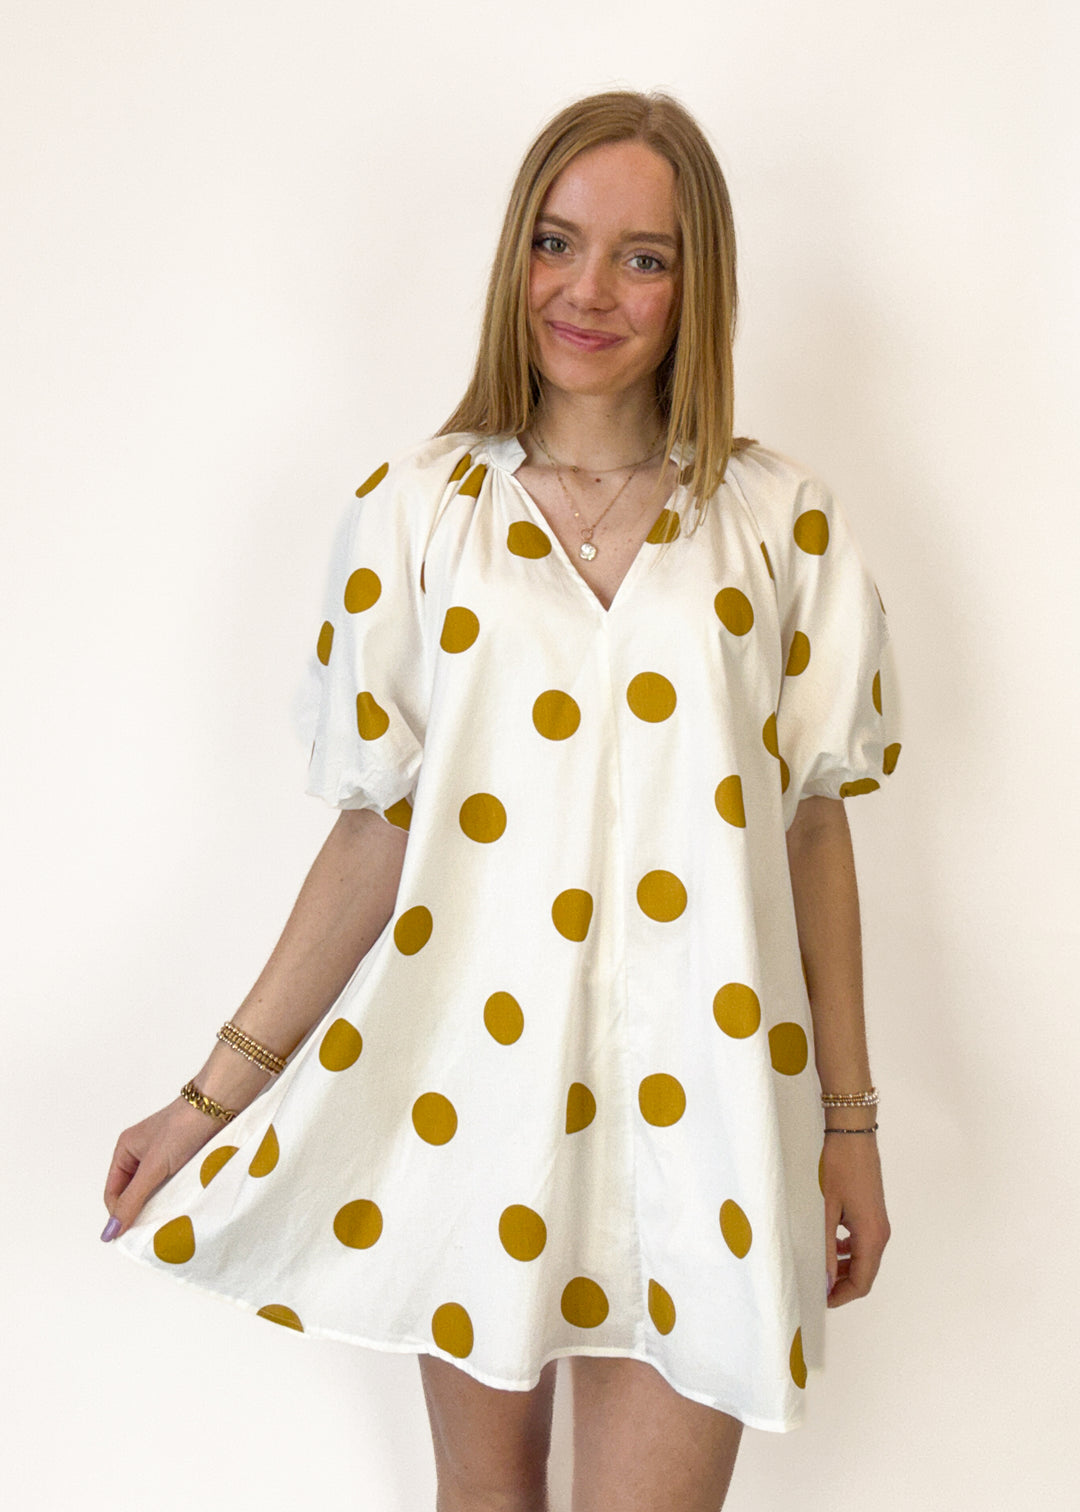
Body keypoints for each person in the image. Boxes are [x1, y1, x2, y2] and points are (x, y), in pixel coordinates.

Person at [102, 90, 900, 1511]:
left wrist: (851, 1126)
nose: (588, 290)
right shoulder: (420, 511)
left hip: (705, 1118)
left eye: (643, 257)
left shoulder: (778, 521)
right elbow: (376, 830)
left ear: (696, 282)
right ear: (512, 258)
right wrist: (206, 1098)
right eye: (556, 241)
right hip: (468, 1106)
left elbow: (812, 827)